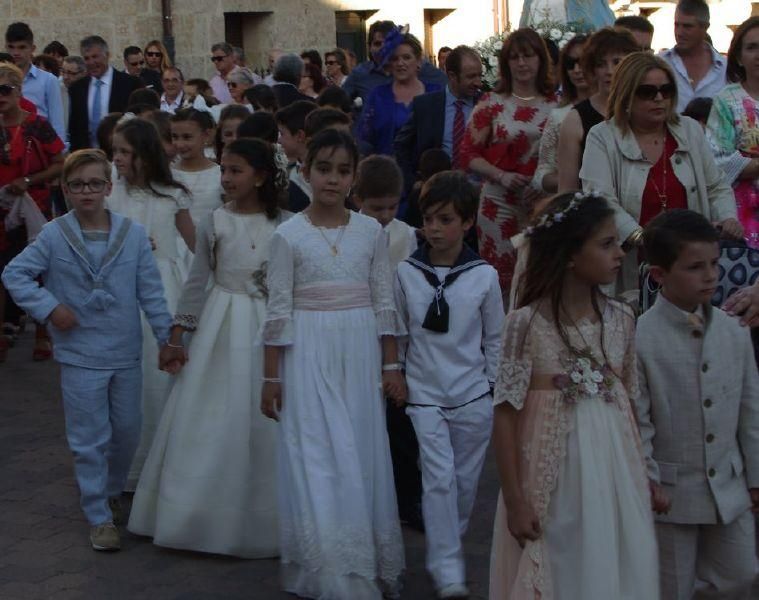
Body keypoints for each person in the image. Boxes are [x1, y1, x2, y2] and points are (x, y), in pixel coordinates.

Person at [1, 149, 180, 551]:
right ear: (65, 189)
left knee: (128, 430)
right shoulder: (53, 234)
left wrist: (167, 338)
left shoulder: (131, 235)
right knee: (89, 435)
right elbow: (15, 273)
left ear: (108, 187)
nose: (87, 192)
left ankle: (113, 489)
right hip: (79, 352)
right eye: (78, 185)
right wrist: (50, 308)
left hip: (124, 350)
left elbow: (150, 291)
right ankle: (98, 511)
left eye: (95, 184)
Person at [490, 191, 659, 599]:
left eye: (618, 242)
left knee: (611, 560)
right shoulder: (526, 324)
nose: (620, 253)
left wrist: (646, 475)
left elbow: (631, 404)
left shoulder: (621, 318)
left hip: (614, 471)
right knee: (562, 560)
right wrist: (515, 500)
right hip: (553, 474)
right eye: (606, 244)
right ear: (569, 254)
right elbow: (506, 414)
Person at [261, 128, 405, 599]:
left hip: (360, 351)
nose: (333, 179)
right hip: (308, 351)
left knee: (359, 451)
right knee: (317, 453)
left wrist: (390, 366)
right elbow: (277, 310)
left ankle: (362, 560)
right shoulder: (287, 235)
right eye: (323, 168)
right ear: (305, 172)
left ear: (354, 178)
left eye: (343, 171)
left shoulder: (370, 232)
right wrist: (271, 376)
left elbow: (385, 302)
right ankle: (330, 567)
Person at [128, 138, 289, 557]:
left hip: (268, 327)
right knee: (213, 415)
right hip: (220, 326)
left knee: (263, 422)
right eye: (225, 170)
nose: (227, 178)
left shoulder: (286, 225)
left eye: (236, 170)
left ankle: (266, 518)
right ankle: (196, 514)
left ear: (261, 176)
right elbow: (197, 282)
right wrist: (177, 335)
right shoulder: (214, 222)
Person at [636, 209, 759, 599]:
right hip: (672, 495)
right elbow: (640, 419)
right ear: (659, 275)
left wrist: (756, 477)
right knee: (672, 585)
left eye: (714, 264)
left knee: (742, 576)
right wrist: (649, 479)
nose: (710, 275)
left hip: (730, 485)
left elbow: (750, 411)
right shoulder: (641, 338)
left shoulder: (734, 330)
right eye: (694, 267)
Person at [396, 171, 503, 599]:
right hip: (424, 394)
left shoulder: (484, 276)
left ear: (468, 223)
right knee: (438, 479)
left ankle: (449, 544)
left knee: (463, 482)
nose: (435, 229)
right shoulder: (407, 272)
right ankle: (448, 570)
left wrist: (494, 388)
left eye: (445, 219)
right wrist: (397, 375)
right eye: (429, 219)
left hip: (472, 394)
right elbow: (400, 333)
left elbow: (494, 338)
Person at [580, 52, 741, 294]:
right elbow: (599, 199)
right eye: (647, 92)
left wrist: (728, 217)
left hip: (690, 269)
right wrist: (639, 236)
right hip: (631, 265)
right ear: (626, 95)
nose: (659, 98)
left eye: (666, 91)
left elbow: (716, 186)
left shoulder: (689, 130)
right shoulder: (602, 136)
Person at [105, 118, 195, 489]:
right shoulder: (112, 195)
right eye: (116, 152)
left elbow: (195, 245)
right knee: (129, 378)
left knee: (159, 378)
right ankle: (127, 465)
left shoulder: (173, 194)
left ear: (144, 154)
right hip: (121, 291)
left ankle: (163, 462)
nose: (118, 158)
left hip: (163, 288)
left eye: (125, 152)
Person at [461, 28, 557, 305]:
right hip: (498, 204)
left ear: (541, 60)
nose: (522, 63)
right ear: (506, 63)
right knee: (498, 280)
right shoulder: (491, 103)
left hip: (543, 204)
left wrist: (542, 187)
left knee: (539, 277)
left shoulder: (557, 105)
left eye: (528, 56)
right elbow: (468, 153)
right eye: (514, 57)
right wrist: (500, 176)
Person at [352, 155, 421, 530]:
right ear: (357, 198)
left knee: (400, 424)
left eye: (392, 207)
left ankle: (408, 498)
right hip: (359, 335)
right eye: (376, 207)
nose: (384, 214)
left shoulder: (405, 235)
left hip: (397, 338)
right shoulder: (350, 233)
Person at [0, 62, 65, 363]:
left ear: (18, 91)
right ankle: (7, 326)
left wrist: (27, 181)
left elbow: (60, 161)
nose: (0, 96)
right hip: (1, 209)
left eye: (5, 89)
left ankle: (42, 331)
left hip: (33, 207)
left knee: (37, 268)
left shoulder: (36, 125)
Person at [557, 27, 639, 192]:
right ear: (593, 69)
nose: (610, 71)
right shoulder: (575, 119)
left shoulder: (645, 109)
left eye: (617, 62)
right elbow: (566, 190)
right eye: (601, 64)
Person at [394, 45, 483, 194]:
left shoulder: (487, 104)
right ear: (452, 76)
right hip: (436, 192)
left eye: (480, 76)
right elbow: (401, 145)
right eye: (471, 77)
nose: (478, 82)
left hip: (477, 194)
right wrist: (413, 183)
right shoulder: (426, 106)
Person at [706, 16, 759, 249]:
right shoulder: (726, 100)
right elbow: (717, 159)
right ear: (738, 56)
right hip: (741, 214)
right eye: (751, 47)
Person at [359, 30, 441, 159]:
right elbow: (365, 139)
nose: (400, 63)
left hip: (426, 173)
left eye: (406, 57)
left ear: (419, 61)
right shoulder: (378, 96)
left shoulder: (436, 94)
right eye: (394, 59)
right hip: (387, 172)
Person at [531, 34, 590, 194]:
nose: (577, 70)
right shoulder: (559, 116)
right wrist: (571, 178)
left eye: (583, 62)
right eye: (570, 64)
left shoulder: (617, 111)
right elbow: (541, 174)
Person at [343, 20, 447, 110]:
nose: (383, 48)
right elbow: (339, 102)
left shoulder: (418, 67)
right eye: (377, 44)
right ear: (369, 47)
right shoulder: (360, 73)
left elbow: (449, 90)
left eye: (387, 43)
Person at [68, 36, 144, 151]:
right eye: (87, 58)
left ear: (107, 55)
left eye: (95, 57)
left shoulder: (130, 84)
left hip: (121, 153)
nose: (91, 62)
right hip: (88, 156)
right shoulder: (77, 88)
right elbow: (75, 128)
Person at [170, 108, 222, 275]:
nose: (179, 144)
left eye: (187, 137)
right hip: (172, 256)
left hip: (208, 253)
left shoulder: (219, 174)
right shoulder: (167, 175)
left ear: (206, 136)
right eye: (174, 137)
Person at [5, 22, 66, 148]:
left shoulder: (48, 80)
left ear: (32, 49)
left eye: (22, 47)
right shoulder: (2, 81)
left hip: (39, 149)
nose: (16, 52)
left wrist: (59, 154)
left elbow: (57, 122)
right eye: (11, 47)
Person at [659, 0, 727, 113]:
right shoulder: (660, 63)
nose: (679, 32)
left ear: (705, 27)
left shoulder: (725, 69)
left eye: (687, 26)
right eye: (676, 25)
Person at [276, 100, 317, 212]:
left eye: (282, 133)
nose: (279, 140)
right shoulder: (288, 173)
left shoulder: (325, 175)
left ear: (299, 136)